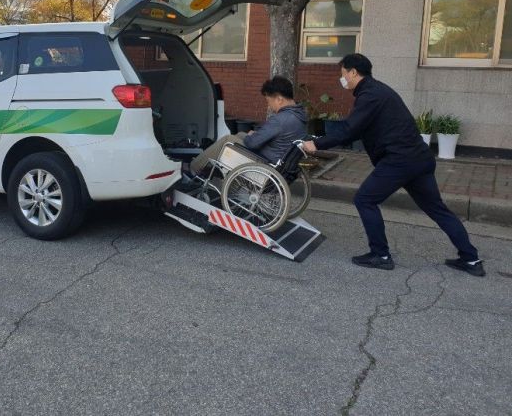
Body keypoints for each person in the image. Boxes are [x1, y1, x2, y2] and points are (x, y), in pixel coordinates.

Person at [302, 54, 484, 277]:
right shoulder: (378, 90)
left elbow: (350, 130)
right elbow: (358, 129)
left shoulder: (369, 95)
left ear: (353, 72)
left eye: (343, 74)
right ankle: (471, 259)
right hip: (419, 158)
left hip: (400, 160)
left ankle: (381, 255)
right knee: (437, 209)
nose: (343, 80)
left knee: (365, 199)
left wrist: (316, 144)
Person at [189, 76, 307, 175]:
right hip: (278, 159)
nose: (270, 106)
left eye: (269, 101)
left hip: (266, 162)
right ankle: (207, 165)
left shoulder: (281, 119)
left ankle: (194, 168)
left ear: (279, 99)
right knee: (241, 134)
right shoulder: (299, 116)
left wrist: (252, 136)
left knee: (228, 140)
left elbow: (252, 143)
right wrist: (252, 135)